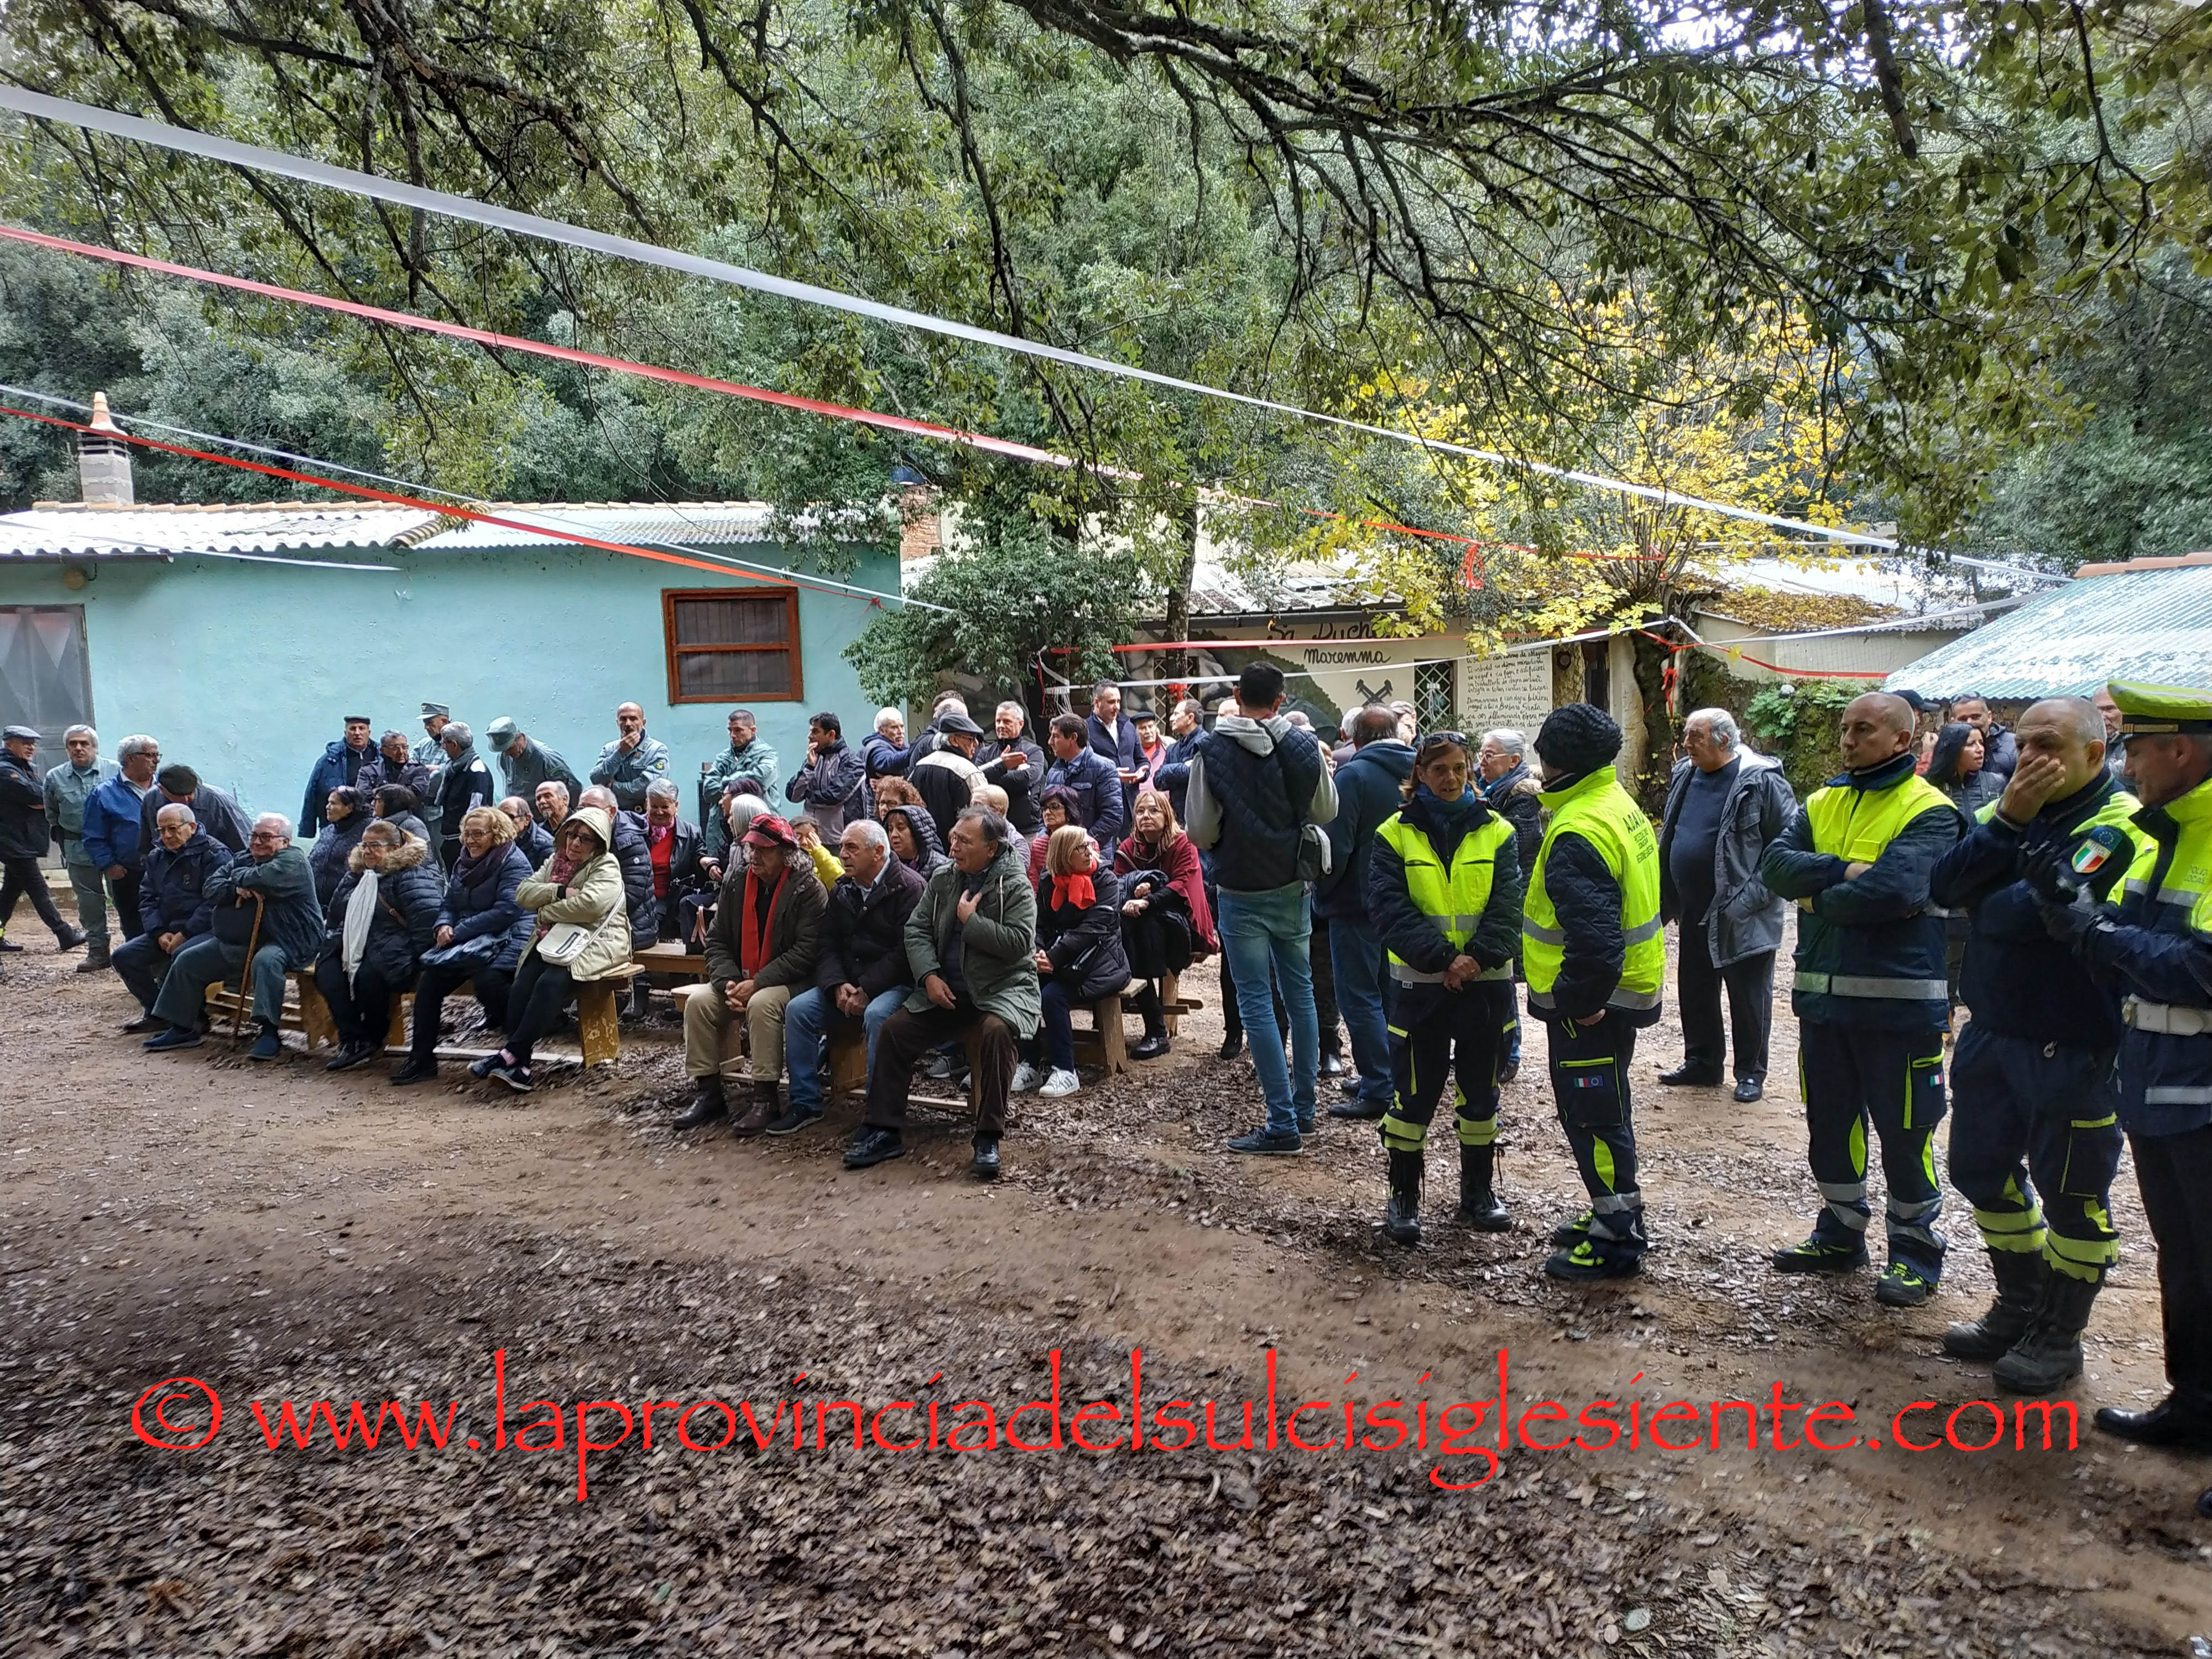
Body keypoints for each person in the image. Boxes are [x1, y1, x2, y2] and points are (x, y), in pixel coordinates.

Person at [1928, 696, 2143, 1392]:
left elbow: (2017, 915)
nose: (2029, 758)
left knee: (2073, 1196)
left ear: (2093, 751)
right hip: (1992, 1030)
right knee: (1977, 1170)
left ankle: (2058, 1335)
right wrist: (2009, 824)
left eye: (2047, 744)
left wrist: (1989, 889)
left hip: (2073, 1041)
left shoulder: (2119, 821)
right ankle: (2018, 1305)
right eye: (2021, 744)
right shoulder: (2011, 808)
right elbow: (1945, 884)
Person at [2034, 683, 2212, 1493]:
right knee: (2187, 1255)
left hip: (2200, 1087)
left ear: (2181, 750)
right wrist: (2072, 908)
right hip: (2158, 1082)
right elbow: (2118, 937)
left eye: (2134, 749)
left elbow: (2198, 968)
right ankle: (2196, 1404)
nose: (2126, 765)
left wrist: (2096, 932)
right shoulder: (2156, 833)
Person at [1760, 691, 1966, 1306]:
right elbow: (1774, 866)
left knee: (1906, 1135)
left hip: (1900, 1009)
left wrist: (1816, 891)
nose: (1849, 740)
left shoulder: (1930, 810)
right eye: (1846, 728)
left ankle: (1914, 1254)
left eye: (1864, 730)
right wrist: (1844, 872)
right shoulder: (1821, 801)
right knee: (1830, 1128)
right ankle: (1840, 1235)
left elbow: (1893, 892)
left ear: (1902, 740)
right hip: (1823, 1007)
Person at [1520, 704, 1666, 1280]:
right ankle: (1614, 1210)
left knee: (1593, 1117)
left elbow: (1596, 939)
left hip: (1593, 1004)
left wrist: (1580, 1001)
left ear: (1555, 760)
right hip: (1621, 991)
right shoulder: (1614, 803)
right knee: (1606, 1110)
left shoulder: (1578, 826)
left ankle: (1617, 1236)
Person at [1368, 731, 1524, 1243]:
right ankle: (1404, 1197)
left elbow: (1509, 906)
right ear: (1420, 775)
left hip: (1486, 986)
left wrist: (1475, 959)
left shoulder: (1499, 831)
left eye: (1460, 768)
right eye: (1439, 770)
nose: (1451, 778)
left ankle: (1478, 1193)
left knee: (1481, 1096)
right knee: (1412, 1098)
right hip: (1420, 989)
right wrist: (1444, 959)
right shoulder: (1393, 835)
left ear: (1471, 770)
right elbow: (1389, 909)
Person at [1187, 664, 1338, 1153]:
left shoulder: (1210, 749)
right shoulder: (1304, 745)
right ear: (1280, 700)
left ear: (1236, 694)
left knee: (1255, 1001)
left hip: (1240, 886)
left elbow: (1200, 831)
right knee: (1301, 993)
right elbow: (1326, 811)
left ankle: (1282, 1123)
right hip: (1292, 880)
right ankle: (1304, 1110)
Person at [845, 806, 1039, 1180]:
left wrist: (971, 922)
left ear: (992, 848)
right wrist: (930, 976)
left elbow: (1018, 944)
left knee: (998, 1034)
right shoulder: (944, 878)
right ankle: (884, 1129)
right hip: (944, 992)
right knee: (894, 1030)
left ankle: (988, 1136)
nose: (954, 848)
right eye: (953, 839)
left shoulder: (1015, 885)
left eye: (965, 841)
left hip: (998, 992)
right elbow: (916, 930)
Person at [1655, 708, 1794, 1103]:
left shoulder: (1762, 781)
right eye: (1687, 734)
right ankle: (1702, 1063)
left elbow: (1787, 847)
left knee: (1749, 998)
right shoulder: (1685, 773)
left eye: (1695, 737)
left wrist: (1747, 900)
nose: (1686, 743)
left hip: (1742, 913)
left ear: (1724, 740)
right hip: (1693, 909)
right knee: (1695, 991)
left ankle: (1750, 1073)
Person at [770, 817, 927, 1136]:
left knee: (878, 1016)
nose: (842, 854)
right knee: (799, 1011)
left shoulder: (910, 888)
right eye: (842, 847)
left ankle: (878, 1113)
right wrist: (836, 985)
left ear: (878, 852)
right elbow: (827, 944)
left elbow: (906, 952)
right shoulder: (844, 889)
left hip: (896, 985)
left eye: (852, 848)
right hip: (848, 983)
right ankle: (805, 1102)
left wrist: (866, 988)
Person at [677, 813, 826, 1134]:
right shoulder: (737, 882)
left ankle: (765, 1099)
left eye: (763, 850)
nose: (754, 856)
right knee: (699, 1003)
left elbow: (807, 952)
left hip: (792, 981)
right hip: (741, 977)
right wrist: (729, 983)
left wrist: (757, 983)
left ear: (785, 853)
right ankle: (708, 1092)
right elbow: (717, 939)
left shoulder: (808, 888)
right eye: (751, 848)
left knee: (762, 1004)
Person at [469, 805, 632, 1092]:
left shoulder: (606, 866)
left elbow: (590, 906)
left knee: (549, 983)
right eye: (571, 835)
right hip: (555, 940)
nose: (575, 843)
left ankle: (511, 1055)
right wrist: (559, 891)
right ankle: (520, 1065)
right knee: (522, 985)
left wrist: (545, 912)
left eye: (585, 838)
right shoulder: (555, 861)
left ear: (599, 843)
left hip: (597, 942)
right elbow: (524, 894)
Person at [146, 814, 323, 1061]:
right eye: (254, 836)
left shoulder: (293, 861)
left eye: (266, 837)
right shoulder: (244, 857)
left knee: (266, 961)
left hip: (289, 939)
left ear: (285, 841)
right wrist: (236, 888)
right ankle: (183, 1027)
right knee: (188, 960)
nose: (257, 842)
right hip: (240, 940)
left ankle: (269, 1032)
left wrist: (237, 877)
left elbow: (263, 878)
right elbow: (210, 886)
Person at [1318, 706, 1416, 1123]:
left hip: (1357, 904)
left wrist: (1323, 892)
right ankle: (1394, 1076)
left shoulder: (1353, 776)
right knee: (1391, 994)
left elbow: (1337, 847)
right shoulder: (1419, 771)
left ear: (1354, 739)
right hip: (1406, 902)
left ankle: (1379, 1084)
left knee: (1359, 997)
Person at [395, 804, 536, 1086]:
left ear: (496, 834)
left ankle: (519, 1055)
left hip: (510, 936)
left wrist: (457, 932)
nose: (471, 840)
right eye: (467, 834)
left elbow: (508, 910)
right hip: (471, 939)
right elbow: (450, 902)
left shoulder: (513, 861)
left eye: (479, 834)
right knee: (430, 981)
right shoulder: (463, 862)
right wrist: (443, 925)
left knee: (490, 982)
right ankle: (421, 1059)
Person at [311, 818, 443, 1070]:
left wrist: (421, 960)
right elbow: (337, 915)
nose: (367, 851)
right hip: (354, 943)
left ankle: (373, 1036)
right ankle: (352, 1039)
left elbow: (426, 922)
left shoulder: (413, 875)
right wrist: (334, 942)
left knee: (369, 976)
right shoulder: (356, 875)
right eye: (364, 845)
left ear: (394, 848)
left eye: (375, 845)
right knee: (327, 972)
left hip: (396, 948)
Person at [1011, 825, 1128, 1099]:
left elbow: (1093, 929)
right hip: (1059, 959)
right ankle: (1028, 1063)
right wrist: (1039, 953)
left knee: (1052, 996)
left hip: (1099, 963)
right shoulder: (1049, 881)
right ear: (1063, 854)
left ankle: (1065, 1070)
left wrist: (1054, 956)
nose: (1089, 852)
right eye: (1081, 847)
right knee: (1024, 987)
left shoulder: (1106, 881)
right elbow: (1038, 924)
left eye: (1089, 846)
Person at [1115, 789, 1215, 1060]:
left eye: (1153, 810)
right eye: (1140, 811)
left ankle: (1156, 1030)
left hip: (1181, 922)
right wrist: (1136, 887)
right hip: (1140, 923)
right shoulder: (1130, 848)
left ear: (1167, 814)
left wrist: (1149, 899)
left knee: (1142, 928)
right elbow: (1119, 883)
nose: (1145, 816)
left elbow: (1182, 884)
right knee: (1124, 928)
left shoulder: (1183, 844)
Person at [109, 804, 226, 1032]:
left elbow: (215, 903)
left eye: (173, 829)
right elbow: (147, 898)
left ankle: (193, 1020)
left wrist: (186, 932)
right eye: (161, 830)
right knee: (124, 957)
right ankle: (158, 1013)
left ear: (192, 827)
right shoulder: (157, 856)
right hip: (167, 930)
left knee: (184, 955)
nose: (167, 836)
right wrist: (159, 932)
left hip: (205, 930)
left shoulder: (214, 854)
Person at [1476, 727, 1544, 1085]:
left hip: (1512, 897)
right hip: (1489, 894)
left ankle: (1509, 1054)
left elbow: (1518, 841)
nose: (1482, 762)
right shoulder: (1488, 788)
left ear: (1514, 761)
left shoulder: (1522, 795)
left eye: (1490, 755)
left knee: (1501, 977)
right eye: (1481, 754)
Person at [1923, 720, 2002, 1011]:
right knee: (1947, 958)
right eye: (1971, 744)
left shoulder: (1996, 784)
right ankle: (1945, 1013)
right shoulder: (1929, 788)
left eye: (1981, 743)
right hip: (1945, 882)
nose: (1979, 750)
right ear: (1953, 749)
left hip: (1985, 884)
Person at [0, 725, 84, 962]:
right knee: (39, 890)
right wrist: (38, 800)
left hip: (20, 841)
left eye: (33, 744)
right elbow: (39, 796)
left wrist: (40, 800)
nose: (31, 748)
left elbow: (44, 796)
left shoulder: (22, 768)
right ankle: (64, 933)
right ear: (9, 744)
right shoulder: (6, 771)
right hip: (13, 842)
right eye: (24, 743)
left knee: (9, 894)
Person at [44, 724, 117, 970]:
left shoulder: (115, 771)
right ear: (66, 748)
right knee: (89, 904)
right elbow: (52, 814)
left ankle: (137, 951)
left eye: (84, 743)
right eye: (72, 744)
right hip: (78, 847)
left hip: (114, 847)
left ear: (95, 746)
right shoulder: (54, 777)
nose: (78, 748)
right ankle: (98, 952)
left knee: (125, 899)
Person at [84, 734, 158, 945]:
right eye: (150, 755)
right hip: (130, 874)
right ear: (130, 758)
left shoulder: (165, 787)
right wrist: (109, 865)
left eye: (157, 755)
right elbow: (93, 836)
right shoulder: (104, 793)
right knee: (135, 927)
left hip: (167, 870)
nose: (156, 761)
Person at [137, 763, 249, 862]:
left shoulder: (218, 801)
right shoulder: (152, 800)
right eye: (180, 795)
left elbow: (243, 843)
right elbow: (147, 843)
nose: (187, 799)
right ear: (162, 790)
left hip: (212, 867)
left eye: (190, 793)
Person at [1042, 713, 1126, 845]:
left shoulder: (1103, 768)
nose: (1050, 742)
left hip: (1092, 851)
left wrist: (1082, 843)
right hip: (1058, 850)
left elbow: (1113, 817)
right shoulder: (1054, 771)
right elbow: (1043, 813)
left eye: (1056, 736)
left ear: (1073, 738)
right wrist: (1044, 840)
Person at [640, 778, 705, 940]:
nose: (659, 812)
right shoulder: (633, 828)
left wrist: (707, 863)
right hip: (638, 899)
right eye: (654, 806)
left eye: (665, 807)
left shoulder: (692, 833)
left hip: (670, 902)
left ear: (676, 806)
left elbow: (701, 857)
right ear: (646, 804)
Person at [784, 711, 867, 836]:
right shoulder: (813, 759)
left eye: (815, 732)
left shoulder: (852, 762)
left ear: (831, 735)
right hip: (811, 836)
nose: (809, 737)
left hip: (839, 837)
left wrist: (807, 795)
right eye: (810, 731)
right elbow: (793, 795)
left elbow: (834, 796)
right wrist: (809, 768)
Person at [912, 711, 987, 842]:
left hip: (924, 845)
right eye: (971, 739)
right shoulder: (968, 771)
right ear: (954, 740)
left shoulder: (919, 766)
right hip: (959, 846)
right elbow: (985, 814)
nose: (976, 744)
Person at [434, 723, 497, 869]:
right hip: (452, 839)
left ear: (454, 744)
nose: (443, 747)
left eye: (444, 743)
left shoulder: (476, 771)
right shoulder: (455, 767)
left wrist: (468, 839)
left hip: (464, 843)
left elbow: (476, 810)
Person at [485, 717, 584, 810]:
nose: (507, 754)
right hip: (519, 816)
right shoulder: (506, 756)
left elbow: (574, 789)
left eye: (510, 748)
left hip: (543, 817)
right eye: (503, 750)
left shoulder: (546, 758)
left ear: (519, 738)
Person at [298, 716, 374, 836]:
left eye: (362, 728)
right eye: (353, 729)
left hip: (371, 826)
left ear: (369, 733)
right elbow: (311, 795)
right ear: (346, 733)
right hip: (334, 826)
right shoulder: (329, 761)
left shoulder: (380, 757)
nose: (357, 733)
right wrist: (307, 830)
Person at [589, 702, 672, 812]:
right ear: (617, 723)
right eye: (623, 719)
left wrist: (612, 787)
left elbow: (648, 787)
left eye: (633, 719)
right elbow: (596, 779)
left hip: (643, 815)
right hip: (615, 815)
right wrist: (620, 753)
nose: (628, 724)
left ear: (643, 723)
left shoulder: (656, 750)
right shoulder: (609, 749)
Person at [978, 702, 1047, 833]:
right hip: (990, 827)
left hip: (1027, 828)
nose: (1001, 726)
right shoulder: (985, 753)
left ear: (1021, 724)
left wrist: (993, 777)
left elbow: (1026, 779)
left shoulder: (1033, 752)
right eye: (998, 721)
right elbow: (978, 779)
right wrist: (1003, 767)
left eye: (1007, 722)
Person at [702, 709, 781, 821]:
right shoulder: (723, 757)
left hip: (758, 821)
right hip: (722, 823)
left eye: (738, 730)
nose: (733, 735)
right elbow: (709, 791)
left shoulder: (768, 754)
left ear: (753, 730)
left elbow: (759, 782)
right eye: (730, 730)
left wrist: (726, 784)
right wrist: (738, 787)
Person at [1085, 682, 1146, 825]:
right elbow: (1081, 769)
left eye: (1118, 701)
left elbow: (1141, 760)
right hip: (1102, 808)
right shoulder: (1085, 730)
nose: (1117, 707)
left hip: (1131, 805)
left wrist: (1142, 773)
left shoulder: (1128, 725)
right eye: (1111, 702)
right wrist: (1111, 776)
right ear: (1096, 702)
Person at [308, 786, 372, 904]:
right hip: (316, 902)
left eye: (333, 803)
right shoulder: (328, 830)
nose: (327, 807)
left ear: (349, 808)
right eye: (328, 803)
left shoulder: (368, 832)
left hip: (345, 903)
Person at [1151, 698, 1207, 825]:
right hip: (1176, 819)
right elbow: (1158, 781)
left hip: (1199, 818)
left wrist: (1168, 770)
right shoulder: (1173, 749)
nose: (1172, 718)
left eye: (1176, 714)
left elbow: (1195, 773)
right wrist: (1181, 770)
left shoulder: (1205, 742)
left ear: (1190, 718)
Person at [354, 728, 437, 808]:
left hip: (409, 814)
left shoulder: (419, 770)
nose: (401, 752)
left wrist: (378, 792)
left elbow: (417, 794)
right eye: (394, 748)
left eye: (404, 747)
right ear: (382, 750)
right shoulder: (369, 770)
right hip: (377, 814)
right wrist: (403, 791)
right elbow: (363, 796)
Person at [1950, 693, 2019, 782]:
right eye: (1963, 719)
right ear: (1953, 723)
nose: (1969, 723)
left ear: (1989, 717)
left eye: (1975, 717)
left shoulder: (2014, 747)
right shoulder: (1946, 752)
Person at [412, 703, 451, 839]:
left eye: (430, 723)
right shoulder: (423, 744)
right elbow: (410, 767)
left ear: (444, 721)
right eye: (425, 723)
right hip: (421, 810)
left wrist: (438, 769)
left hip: (444, 812)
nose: (426, 727)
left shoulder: (457, 743)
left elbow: (451, 771)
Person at [1027, 785, 1079, 888]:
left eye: (1054, 807)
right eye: (1044, 809)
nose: (1047, 813)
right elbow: (1034, 885)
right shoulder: (1038, 846)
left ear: (1069, 810)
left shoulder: (1086, 844)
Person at [883, 802, 948, 881]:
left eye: (901, 828)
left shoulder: (943, 868)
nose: (894, 835)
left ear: (917, 832)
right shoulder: (884, 866)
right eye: (890, 829)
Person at [370, 785, 432, 851]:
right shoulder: (376, 822)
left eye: (378, 800)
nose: (372, 804)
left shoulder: (414, 826)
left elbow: (422, 854)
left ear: (392, 804)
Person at [791, 813, 844, 889]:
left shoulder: (828, 861)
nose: (804, 842)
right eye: (798, 836)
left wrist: (819, 852)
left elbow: (841, 887)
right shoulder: (783, 861)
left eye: (810, 837)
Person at [500, 796, 554, 866]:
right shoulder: (498, 838)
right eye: (499, 818)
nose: (502, 823)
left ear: (527, 819)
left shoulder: (546, 847)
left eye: (510, 817)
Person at [2091, 685, 2128, 785]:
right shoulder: (2096, 739)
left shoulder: (2137, 738)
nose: (2102, 717)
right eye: (2097, 710)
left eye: (2109, 709)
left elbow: (2127, 773)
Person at [862, 707, 910, 780]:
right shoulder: (876, 747)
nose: (901, 731)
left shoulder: (903, 747)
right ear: (882, 730)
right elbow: (889, 763)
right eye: (894, 728)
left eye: (902, 727)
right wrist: (917, 751)